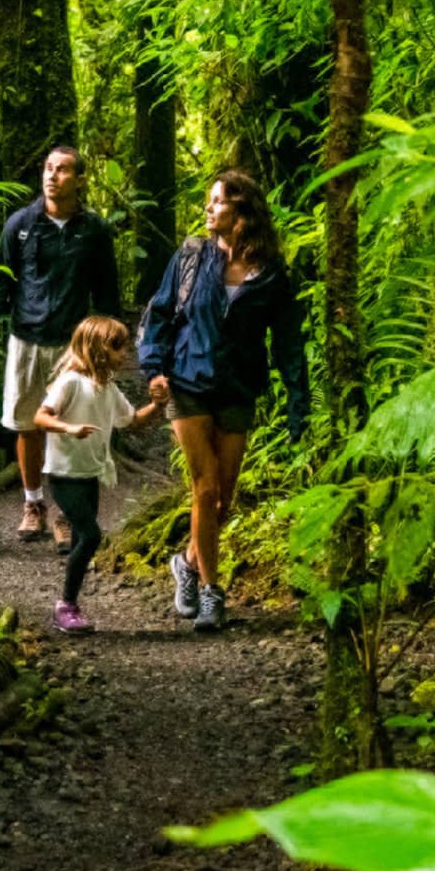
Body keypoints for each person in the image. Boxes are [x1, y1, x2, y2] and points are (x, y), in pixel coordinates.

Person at [137, 169, 310, 632]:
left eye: (218, 202)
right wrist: (154, 368)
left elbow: (288, 342)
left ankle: (187, 563)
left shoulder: (272, 274)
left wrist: (298, 405)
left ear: (242, 211)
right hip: (188, 380)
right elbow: (159, 314)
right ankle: (213, 593)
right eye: (209, 201)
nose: (209, 208)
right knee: (206, 488)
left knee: (224, 501)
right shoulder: (192, 256)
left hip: (238, 387)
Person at [0, 145, 122, 546]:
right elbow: (0, 281)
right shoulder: (21, 225)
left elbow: (107, 292)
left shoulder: (93, 230)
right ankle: (33, 504)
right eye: (48, 168)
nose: (51, 176)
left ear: (79, 179)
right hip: (26, 339)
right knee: (27, 424)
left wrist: (107, 344)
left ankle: (65, 513)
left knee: (66, 429)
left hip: (72, 346)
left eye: (62, 170)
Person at [35, 315, 160, 633]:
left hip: (90, 473)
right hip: (63, 474)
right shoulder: (71, 382)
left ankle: (71, 605)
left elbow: (132, 421)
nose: (125, 354)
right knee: (91, 535)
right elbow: (41, 416)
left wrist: (158, 405)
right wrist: (68, 427)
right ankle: (65, 605)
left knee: (82, 537)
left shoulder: (108, 388)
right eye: (119, 347)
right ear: (98, 348)